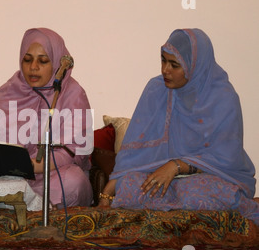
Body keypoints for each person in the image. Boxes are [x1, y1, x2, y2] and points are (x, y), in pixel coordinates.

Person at [98, 28, 259, 226]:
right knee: (130, 186)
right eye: (163, 60)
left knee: (195, 193)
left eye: (175, 65)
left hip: (207, 177)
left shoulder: (223, 98)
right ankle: (175, 213)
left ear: (195, 66)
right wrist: (106, 194)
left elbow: (226, 157)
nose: (165, 70)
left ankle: (169, 211)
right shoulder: (156, 90)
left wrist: (176, 166)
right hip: (160, 176)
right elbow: (133, 155)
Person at [0, 28, 93, 209]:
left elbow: (75, 150)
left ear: (58, 63)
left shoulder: (72, 94)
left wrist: (32, 166)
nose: (33, 67)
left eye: (43, 61)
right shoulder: (7, 92)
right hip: (10, 178)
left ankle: (20, 206)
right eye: (27, 60)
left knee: (74, 182)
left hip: (51, 176)